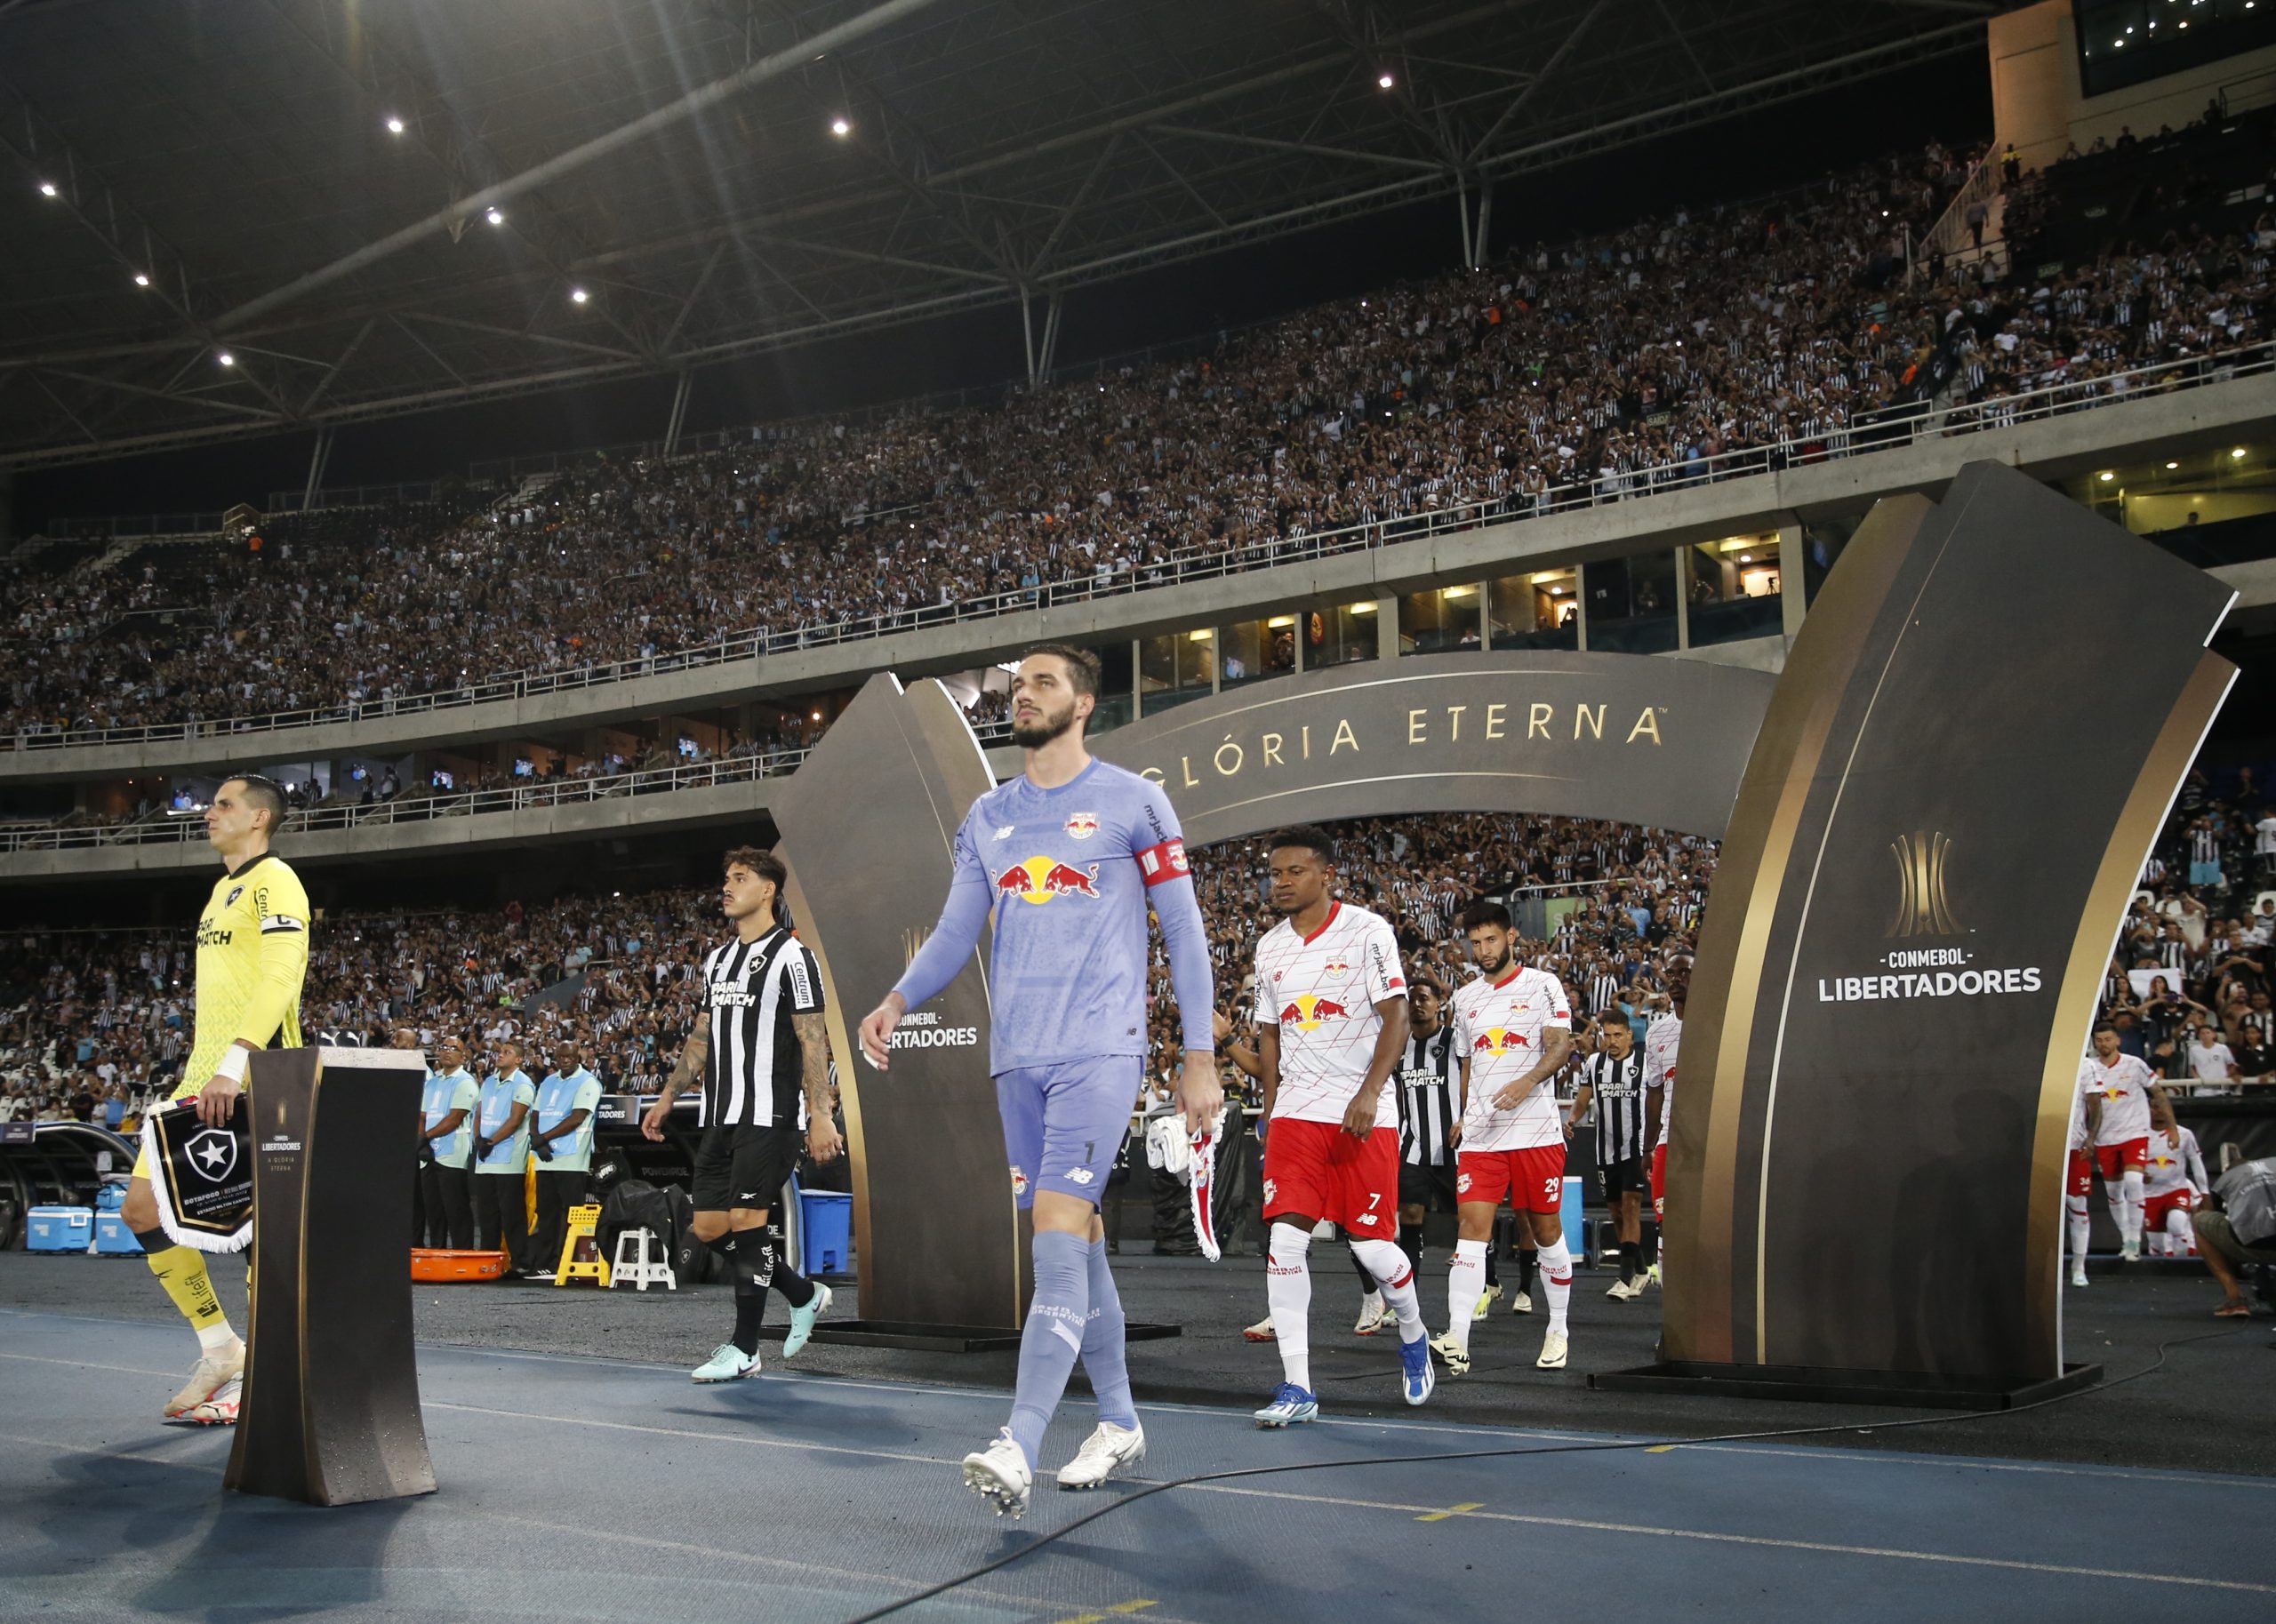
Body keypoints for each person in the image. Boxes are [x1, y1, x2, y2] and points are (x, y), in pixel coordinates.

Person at [859, 644, 1219, 1516]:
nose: (1024, 696)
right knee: (1079, 1242)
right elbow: (954, 930)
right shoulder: (988, 815)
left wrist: (1200, 1053)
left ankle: (1018, 1442)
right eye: (1017, 686)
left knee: (1054, 1241)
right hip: (1015, 1060)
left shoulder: (1134, 802)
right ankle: (1122, 1421)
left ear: (1084, 702)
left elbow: (1184, 928)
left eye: (1042, 684)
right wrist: (898, 998)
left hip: (1100, 1050)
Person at [119, 774, 309, 1428]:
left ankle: (267, 1373)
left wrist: (236, 1064)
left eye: (224, 803)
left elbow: (282, 978)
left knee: (259, 1232)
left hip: (256, 1072)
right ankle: (221, 1346)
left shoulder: (276, 879)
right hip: (201, 1075)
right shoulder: (220, 890)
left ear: (260, 818)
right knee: (140, 1208)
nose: (210, 812)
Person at [1246, 826, 1431, 1426]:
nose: (1279, 882)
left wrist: (1371, 1090)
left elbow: (1397, 1014)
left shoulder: (1367, 931)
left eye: (1293, 871)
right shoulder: (1269, 947)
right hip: (1299, 1112)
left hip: (1361, 1114)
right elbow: (1270, 1033)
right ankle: (1297, 1385)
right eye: (1274, 872)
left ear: (1327, 876)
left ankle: (1411, 1325)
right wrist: (1273, 1110)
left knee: (1373, 1245)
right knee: (1284, 1240)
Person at [642, 847, 842, 1380]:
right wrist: (668, 1095)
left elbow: (813, 1038)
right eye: (725, 878)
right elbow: (702, 1037)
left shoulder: (792, 956)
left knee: (749, 1227)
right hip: (720, 1116)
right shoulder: (718, 960)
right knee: (709, 1227)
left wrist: (820, 1114)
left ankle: (745, 1349)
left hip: (771, 1116)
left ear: (767, 890)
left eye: (739, 878)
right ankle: (802, 1293)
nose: (727, 887)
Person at [1431, 902, 1575, 1376]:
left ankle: (1558, 1328)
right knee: (1471, 1232)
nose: (1483, 950)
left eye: (1491, 939)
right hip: (1483, 1138)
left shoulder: (1542, 985)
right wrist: (1465, 1116)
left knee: (1547, 1231)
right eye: (1475, 942)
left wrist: (1528, 1081)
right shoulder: (1467, 997)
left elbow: (1561, 1046)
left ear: (1511, 936)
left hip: (1535, 1132)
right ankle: (1457, 1337)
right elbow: (1469, 1063)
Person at [1395, 980, 1500, 1320]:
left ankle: (1486, 1284)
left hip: (1456, 1146)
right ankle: (1406, 1299)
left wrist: (1469, 1117)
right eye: (1412, 999)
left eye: (1424, 998)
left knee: (1468, 1221)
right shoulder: (1400, 1046)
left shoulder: (1454, 1041)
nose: (1417, 1005)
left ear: (1439, 1003)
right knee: (1410, 1216)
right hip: (1413, 1147)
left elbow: (1482, 1075)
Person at [1571, 1013, 1651, 1298]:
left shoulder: (1645, 1062)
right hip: (1605, 1150)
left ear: (1630, 1035)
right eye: (1608, 1035)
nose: (1613, 1041)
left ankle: (1624, 1279)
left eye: (1618, 1035)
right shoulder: (1594, 1064)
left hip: (1636, 1149)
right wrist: (1571, 1119)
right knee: (1616, 1213)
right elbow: (1583, 1098)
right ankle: (1641, 1270)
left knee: (1630, 1209)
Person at [2078, 1024, 2170, 1264]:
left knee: (2133, 1180)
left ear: (2117, 1040)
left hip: (2135, 1132)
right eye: (2099, 1040)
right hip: (2105, 1136)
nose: (2103, 1044)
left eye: (2108, 1039)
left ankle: (2134, 1240)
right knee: (2114, 1192)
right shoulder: (2088, 1067)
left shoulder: (2134, 1064)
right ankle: (2125, 1238)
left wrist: (2172, 1126)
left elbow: (2158, 1093)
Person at [528, 1036, 603, 1281]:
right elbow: (535, 1114)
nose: (565, 1060)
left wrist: (543, 1138)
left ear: (578, 1058)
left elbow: (577, 1117)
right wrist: (537, 1139)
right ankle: (545, 1264)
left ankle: (568, 1262)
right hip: (545, 1157)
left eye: (570, 1057)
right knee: (546, 1212)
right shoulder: (548, 1081)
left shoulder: (588, 1082)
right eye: (561, 1057)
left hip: (571, 1158)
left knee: (572, 1213)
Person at [472, 1039, 536, 1276]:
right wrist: (478, 1138)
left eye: (507, 1052)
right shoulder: (489, 1082)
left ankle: (520, 1263)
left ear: (518, 1059)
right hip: (485, 1158)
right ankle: (488, 1261)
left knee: (512, 1215)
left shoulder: (523, 1084)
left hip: (508, 1158)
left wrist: (491, 1142)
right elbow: (479, 1112)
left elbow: (515, 1120)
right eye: (500, 1052)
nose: (501, 1055)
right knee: (487, 1214)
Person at [1641, 958, 1687, 1287]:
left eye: (1684, 972)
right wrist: (1648, 1145)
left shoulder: (1718, 1023)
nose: (1676, 979)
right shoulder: (1658, 1031)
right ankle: (1674, 1320)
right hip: (1668, 1142)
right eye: (1671, 974)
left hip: (1709, 1140)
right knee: (1666, 1225)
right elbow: (1654, 1092)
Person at [2192, 1156, 2276, 1317]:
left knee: (2199, 1220)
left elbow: (2211, 1211)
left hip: (2253, 1245)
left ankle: (2235, 1298)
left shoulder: (2227, 1179)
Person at [418, 1035, 479, 1250]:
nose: (447, 1051)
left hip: (452, 1153)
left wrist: (424, 1137)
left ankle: (463, 1251)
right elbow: (422, 1116)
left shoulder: (465, 1083)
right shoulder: (433, 1081)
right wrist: (423, 1142)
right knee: (433, 1209)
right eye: (444, 1047)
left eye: (453, 1048)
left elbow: (454, 1119)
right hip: (429, 1153)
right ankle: (436, 1250)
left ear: (463, 1057)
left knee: (456, 1208)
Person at [2140, 1098, 2208, 1259]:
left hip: (2176, 1189)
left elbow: (2196, 1163)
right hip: (2149, 1194)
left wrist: (2205, 1192)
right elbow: (2127, 1163)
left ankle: (2183, 1263)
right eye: (2155, 1107)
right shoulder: (2139, 1135)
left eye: (2163, 1108)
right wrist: (2139, 1173)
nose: (2159, 1112)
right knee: (2156, 1245)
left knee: (2177, 1224)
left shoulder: (2184, 1134)